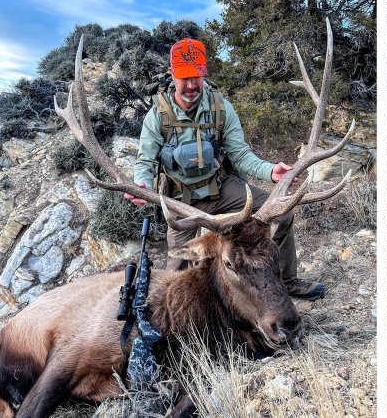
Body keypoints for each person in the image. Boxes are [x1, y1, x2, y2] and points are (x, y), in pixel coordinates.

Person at [125, 38, 325, 300]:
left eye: (196, 76)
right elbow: (145, 162)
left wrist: (270, 171)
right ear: (172, 74)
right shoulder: (157, 116)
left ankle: (285, 281)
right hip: (181, 199)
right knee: (177, 271)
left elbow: (240, 155)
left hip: (220, 189)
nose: (191, 85)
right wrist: (141, 184)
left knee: (283, 213)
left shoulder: (221, 108)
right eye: (184, 78)